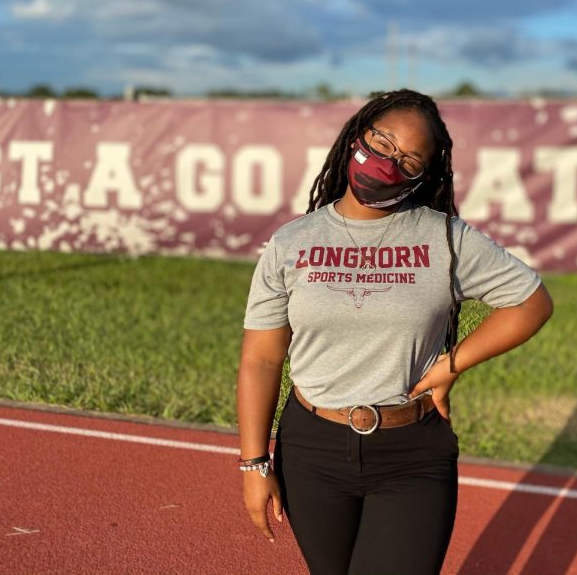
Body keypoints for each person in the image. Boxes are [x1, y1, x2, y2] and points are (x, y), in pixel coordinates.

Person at [236, 89, 553, 574]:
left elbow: (531, 302)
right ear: (356, 136)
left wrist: (452, 363)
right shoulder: (292, 243)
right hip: (311, 450)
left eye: (408, 161)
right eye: (382, 143)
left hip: (412, 455)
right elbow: (261, 359)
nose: (388, 163)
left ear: (425, 176)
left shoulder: (445, 238)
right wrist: (255, 464)